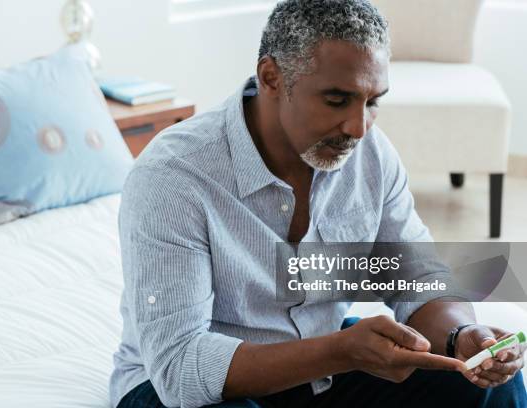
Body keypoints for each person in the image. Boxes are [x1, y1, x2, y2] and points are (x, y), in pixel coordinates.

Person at [109, 1, 527, 407]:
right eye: (336, 100)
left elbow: (418, 278)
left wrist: (462, 335)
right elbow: (180, 370)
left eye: (373, 101)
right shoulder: (174, 176)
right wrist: (340, 352)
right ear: (271, 77)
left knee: (489, 388)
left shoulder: (370, 155)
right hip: (181, 389)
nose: (359, 128)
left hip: (320, 365)